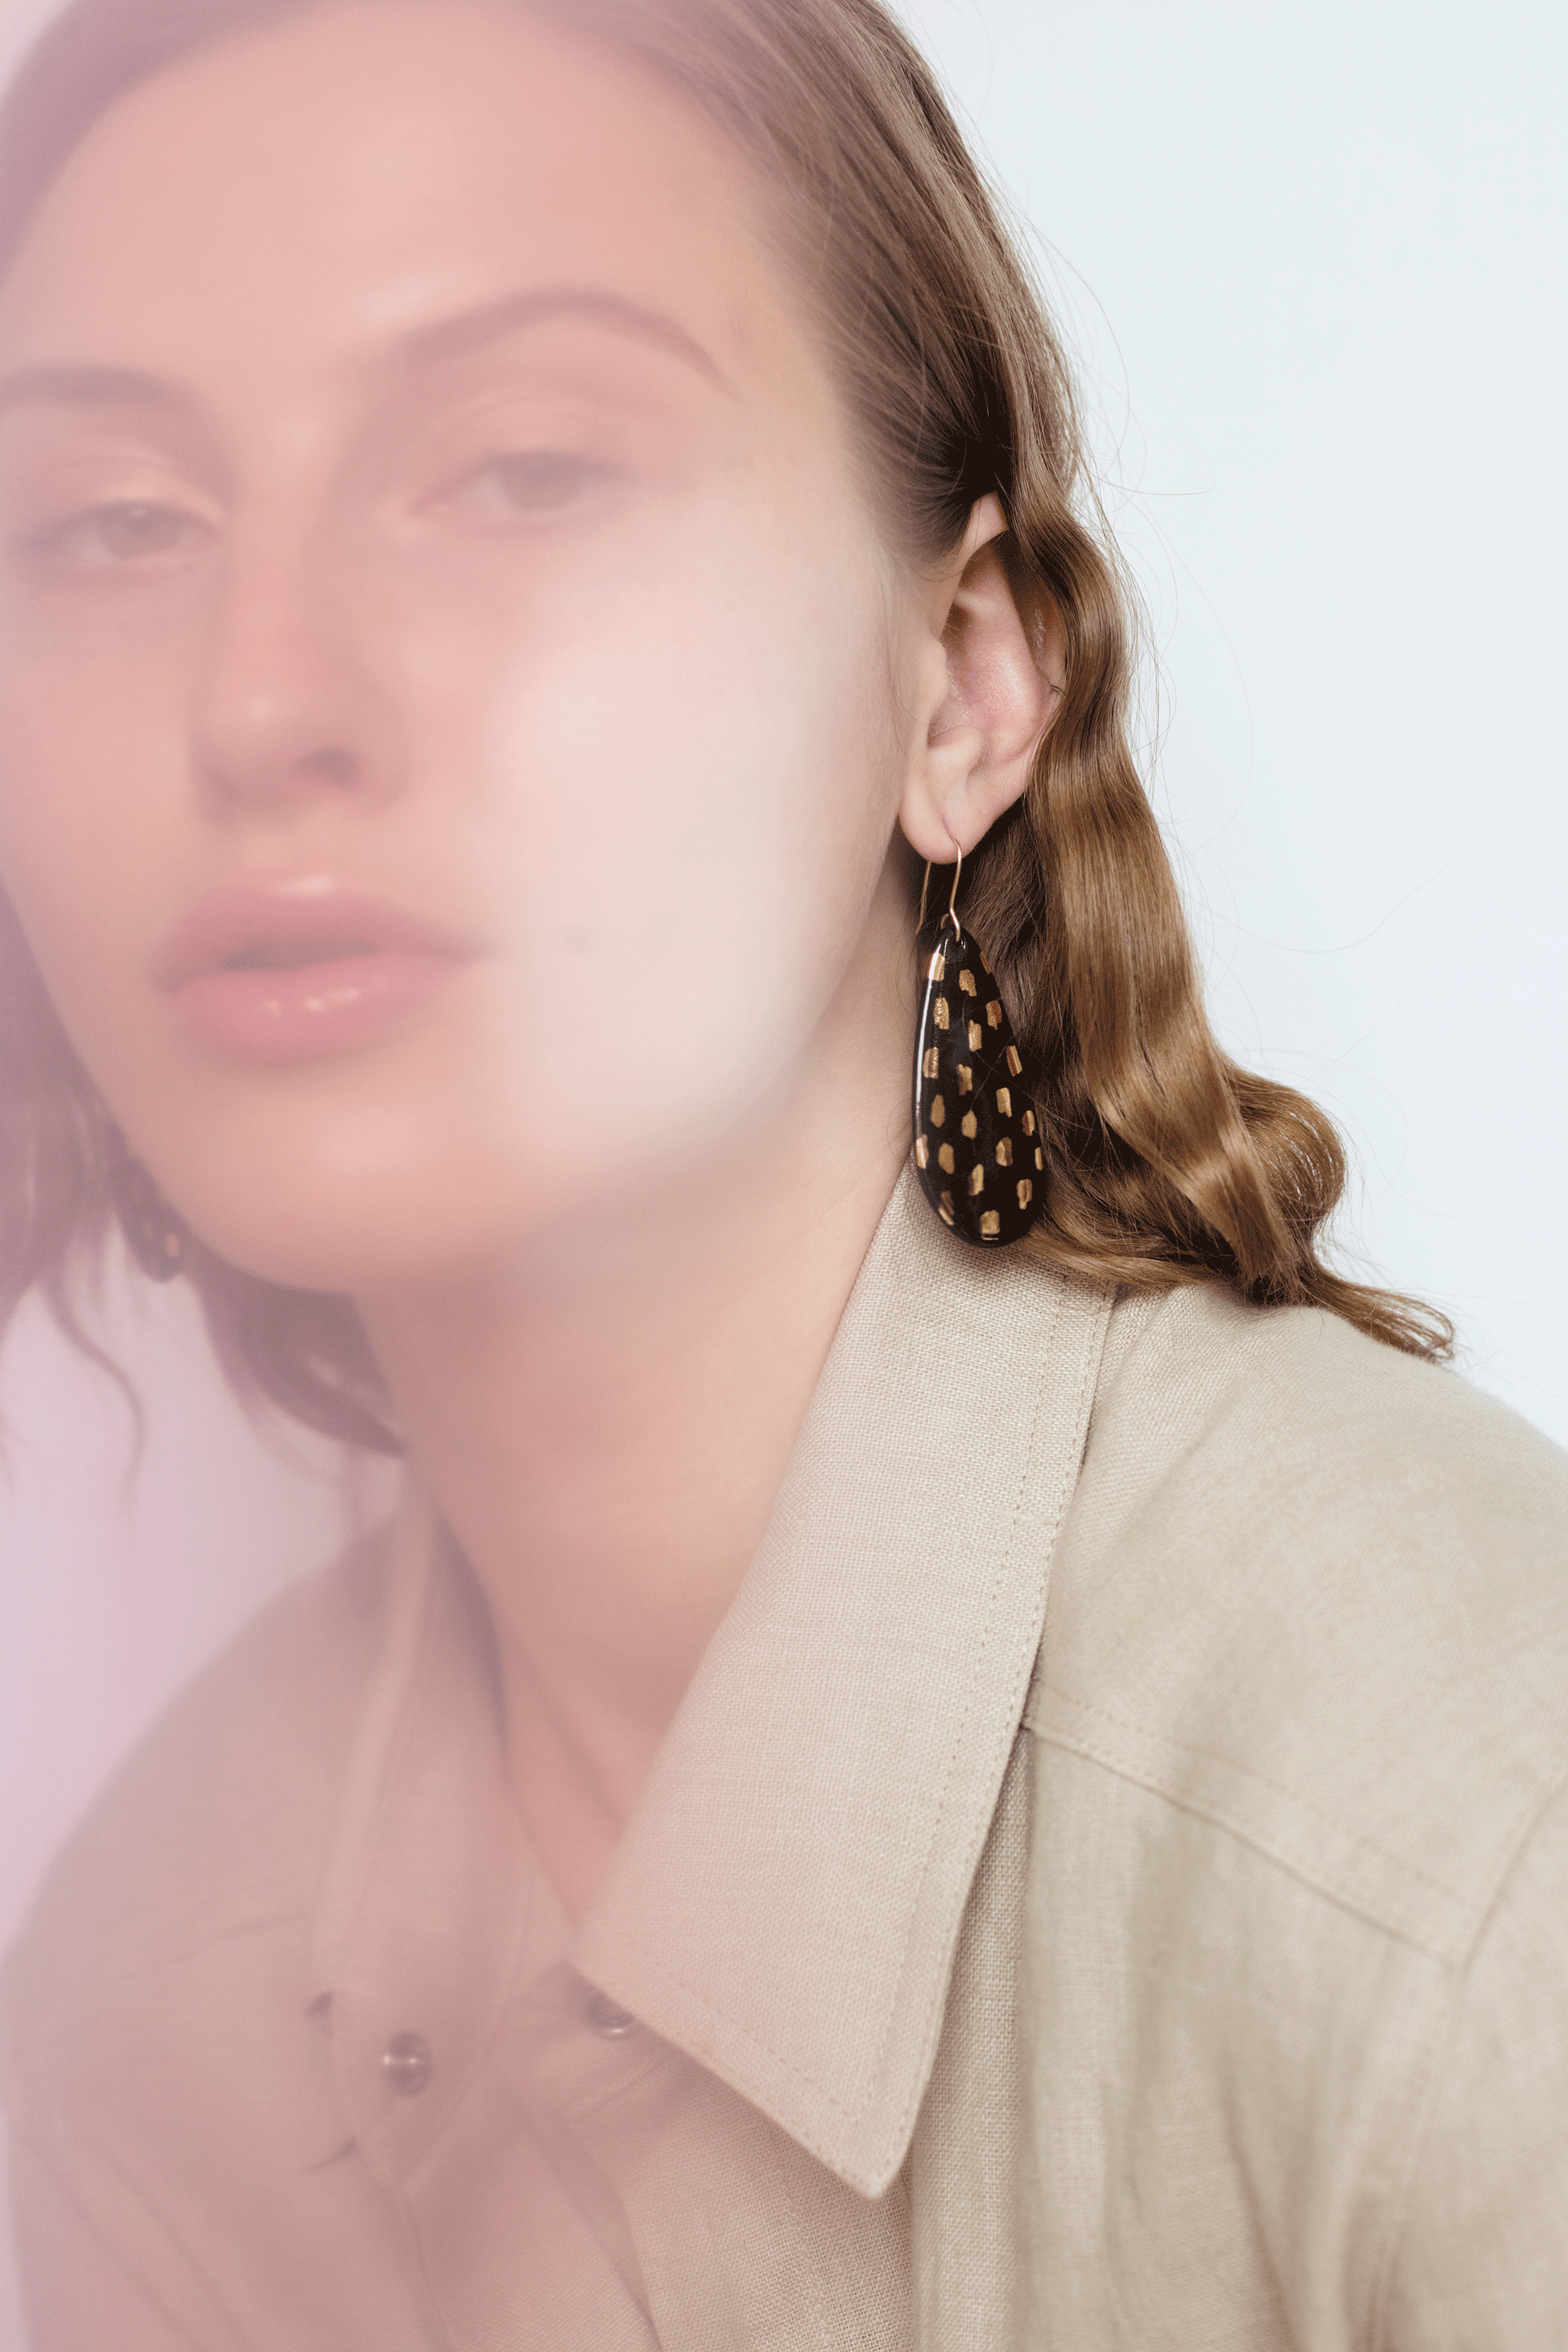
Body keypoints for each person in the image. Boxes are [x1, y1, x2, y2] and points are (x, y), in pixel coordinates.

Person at [0, 0, 1563, 2342]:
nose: (259, 694)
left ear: (961, 684)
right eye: (111, 522)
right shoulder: (151, 1985)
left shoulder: (1468, 1861)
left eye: (518, 468)